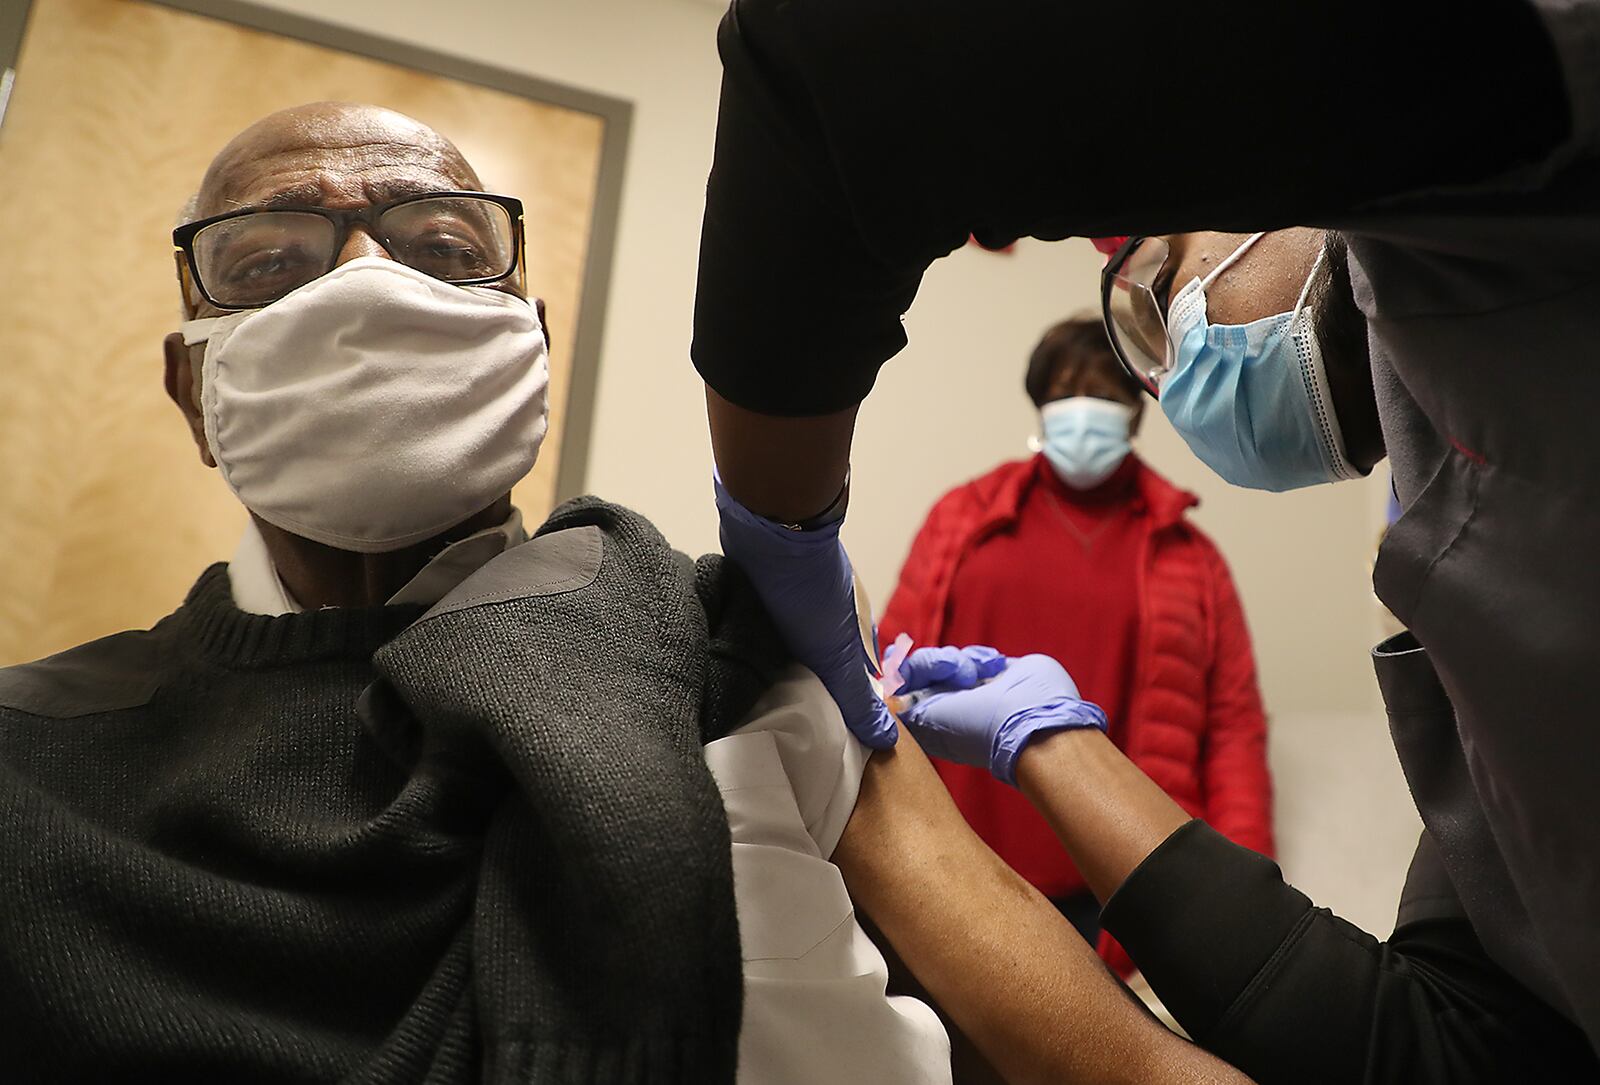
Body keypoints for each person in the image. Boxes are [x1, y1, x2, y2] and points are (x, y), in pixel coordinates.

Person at [688, 0, 1600, 1076]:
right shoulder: (1468, 587)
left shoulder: (1532, 133)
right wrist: (1050, 743)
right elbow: (1458, 1042)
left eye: (1155, 287)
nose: (1167, 381)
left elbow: (828, 59)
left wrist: (778, 527)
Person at [0, 101, 963, 1084]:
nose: (364, 285)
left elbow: (1033, 1024)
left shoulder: (726, 650)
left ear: (529, 348)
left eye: (445, 247)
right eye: (268, 264)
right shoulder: (31, 753)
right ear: (192, 391)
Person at [879, 316, 1273, 970]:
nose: (1082, 411)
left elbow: (1233, 729)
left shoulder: (1190, 557)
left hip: (1115, 889)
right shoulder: (963, 520)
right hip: (957, 865)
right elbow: (890, 673)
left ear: (1138, 412)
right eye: (1064, 392)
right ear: (1040, 405)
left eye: (1103, 392)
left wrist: (1246, 896)